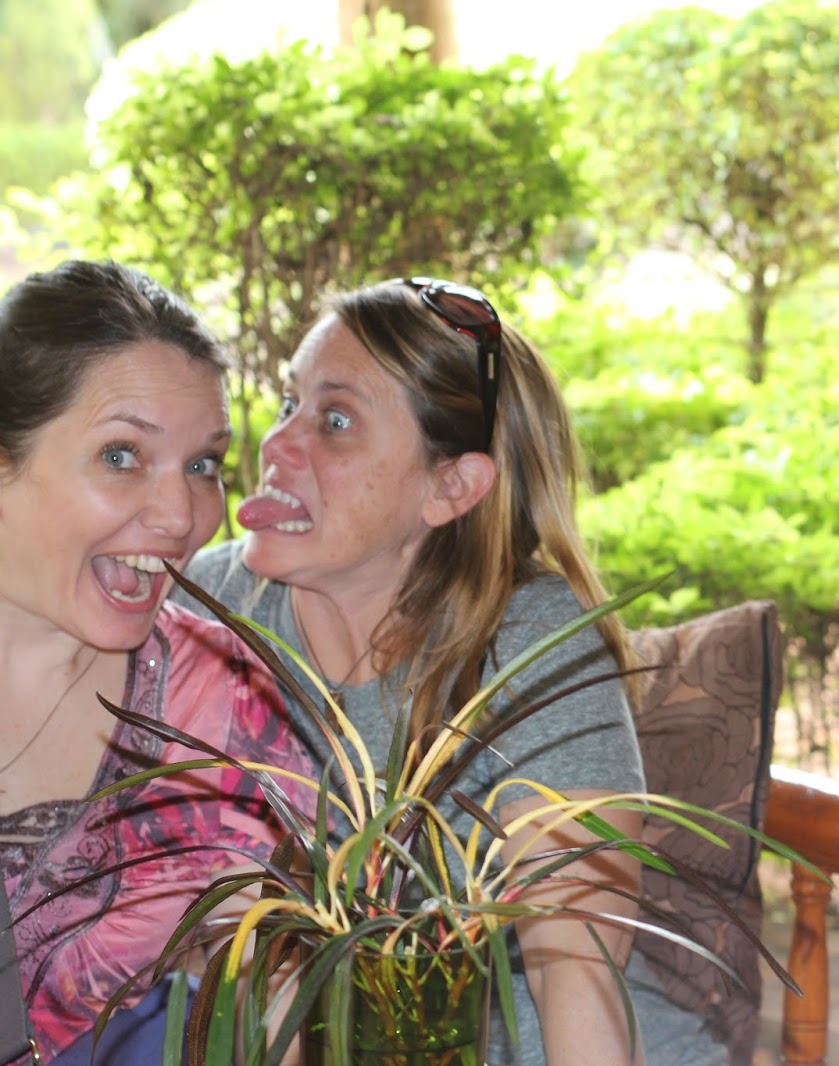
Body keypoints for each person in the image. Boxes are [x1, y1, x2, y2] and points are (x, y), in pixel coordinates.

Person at [175, 277, 723, 1066]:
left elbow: (575, 967)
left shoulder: (527, 642)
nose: (276, 444)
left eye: (335, 421)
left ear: (450, 486)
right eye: (291, 403)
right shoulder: (207, 610)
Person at [0, 259, 312, 1062]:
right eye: (121, 456)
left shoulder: (225, 704)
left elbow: (280, 990)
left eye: (202, 466)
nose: (181, 516)